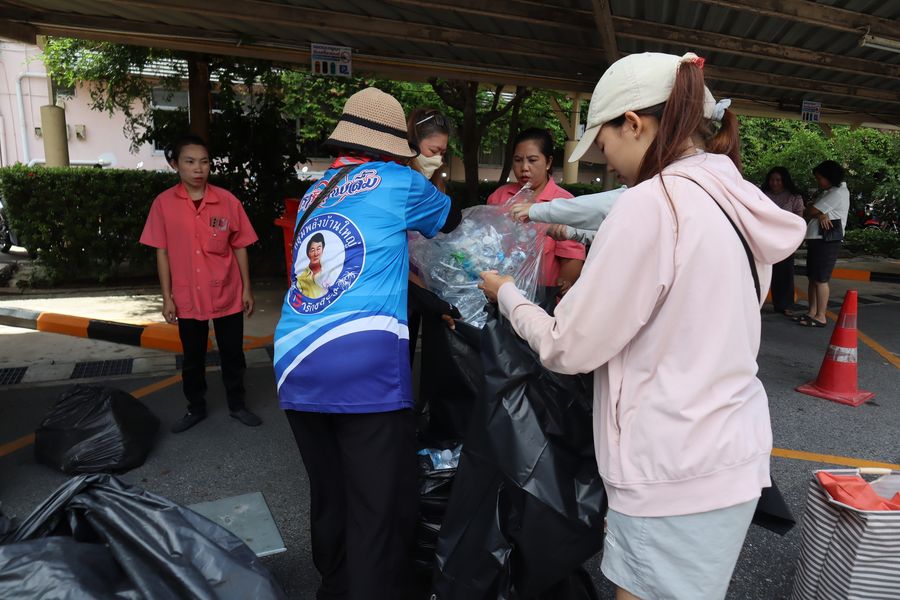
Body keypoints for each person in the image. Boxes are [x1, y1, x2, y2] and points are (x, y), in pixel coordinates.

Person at [479, 52, 805, 600]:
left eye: (604, 144)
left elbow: (567, 346)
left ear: (633, 123)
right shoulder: (736, 199)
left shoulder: (653, 204)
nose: (608, 162)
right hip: (731, 453)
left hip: (669, 467)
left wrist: (507, 294)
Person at [273, 88, 460, 600]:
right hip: (363, 363)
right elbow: (448, 219)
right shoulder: (401, 181)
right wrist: (427, 171)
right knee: (379, 503)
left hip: (295, 359)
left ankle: (333, 589)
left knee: (330, 492)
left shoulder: (317, 189)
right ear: (398, 145)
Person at [140, 134, 261, 433]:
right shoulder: (163, 204)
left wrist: (247, 288)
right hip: (187, 294)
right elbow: (162, 252)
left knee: (233, 353)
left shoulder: (227, 201)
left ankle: (238, 405)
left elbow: (240, 246)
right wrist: (167, 297)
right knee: (192, 357)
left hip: (227, 290)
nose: (198, 168)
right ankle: (195, 407)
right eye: (190, 161)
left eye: (204, 162)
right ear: (175, 165)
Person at [487, 128, 586, 295]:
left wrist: (562, 284)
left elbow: (572, 258)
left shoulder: (564, 203)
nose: (524, 168)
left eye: (532, 160)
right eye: (518, 160)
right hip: (500, 296)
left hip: (542, 300)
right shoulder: (499, 197)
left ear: (548, 162)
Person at [794, 160, 850, 327]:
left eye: (820, 178)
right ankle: (812, 312)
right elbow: (812, 210)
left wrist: (817, 212)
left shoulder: (837, 193)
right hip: (819, 239)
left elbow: (810, 210)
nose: (818, 181)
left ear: (829, 177)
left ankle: (820, 316)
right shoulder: (830, 191)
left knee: (820, 279)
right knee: (813, 278)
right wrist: (820, 214)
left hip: (827, 240)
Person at [761, 167, 805, 316]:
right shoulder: (762, 195)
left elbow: (799, 219)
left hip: (786, 240)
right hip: (766, 239)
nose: (775, 183)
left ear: (784, 181)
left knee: (785, 272)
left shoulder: (794, 197)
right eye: (772, 180)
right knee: (764, 271)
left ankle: (785, 304)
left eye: (778, 180)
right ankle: (757, 302)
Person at [296, 232, 329, 299]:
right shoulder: (301, 277)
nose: (316, 253)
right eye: (312, 250)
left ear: (323, 250)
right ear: (308, 253)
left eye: (318, 249)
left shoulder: (330, 271)